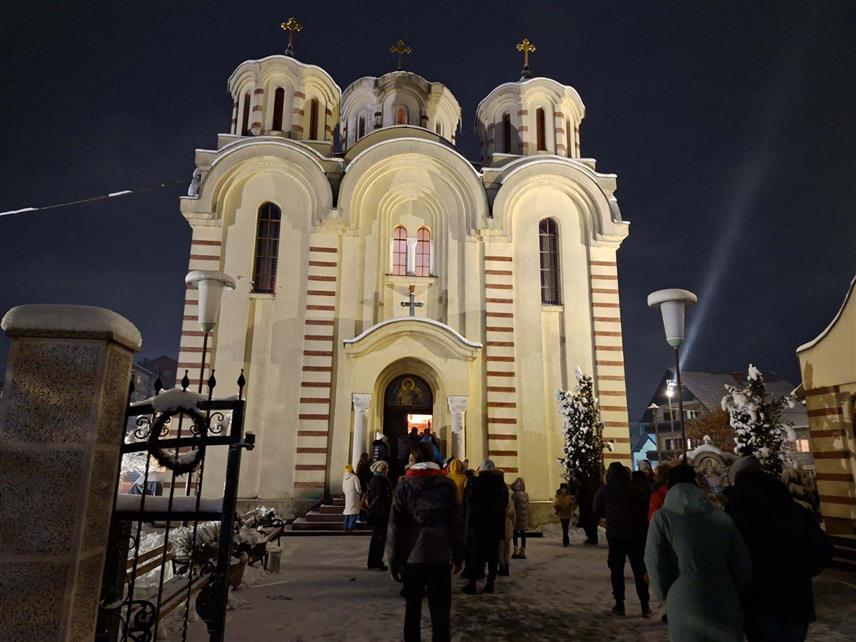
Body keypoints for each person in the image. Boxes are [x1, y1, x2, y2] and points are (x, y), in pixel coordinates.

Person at [725, 455, 833, 642]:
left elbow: (729, 558)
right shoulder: (791, 509)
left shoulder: (736, 514)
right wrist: (799, 571)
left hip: (759, 603)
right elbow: (822, 549)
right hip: (796, 601)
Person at [645, 464, 753, 641]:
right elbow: (741, 564)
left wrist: (667, 594)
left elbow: (654, 561)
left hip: (683, 601)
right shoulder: (720, 517)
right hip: (723, 599)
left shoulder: (663, 518)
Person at [386, 442, 464, 642]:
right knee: (440, 613)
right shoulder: (447, 485)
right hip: (440, 557)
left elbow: (395, 527)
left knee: (412, 611)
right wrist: (458, 554)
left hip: (413, 558)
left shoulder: (404, 484)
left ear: (413, 460)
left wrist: (394, 560)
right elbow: (455, 523)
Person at [593, 463, 650, 616]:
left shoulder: (605, 491)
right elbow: (646, 508)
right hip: (636, 535)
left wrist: (610, 515)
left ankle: (620, 604)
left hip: (616, 535)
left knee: (616, 570)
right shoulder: (637, 491)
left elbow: (596, 509)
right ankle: (645, 604)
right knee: (640, 569)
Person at [463, 461, 508, 594]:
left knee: (474, 556)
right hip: (494, 526)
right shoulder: (501, 484)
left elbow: (469, 503)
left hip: (477, 526)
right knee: (493, 556)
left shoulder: (475, 483)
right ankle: (490, 585)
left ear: (481, 470)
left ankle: (472, 584)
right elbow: (504, 504)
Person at [366, 460, 393, 570]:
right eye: (386, 468)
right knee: (379, 538)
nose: (388, 470)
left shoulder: (377, 479)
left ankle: (374, 561)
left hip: (379, 513)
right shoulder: (379, 480)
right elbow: (380, 498)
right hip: (380, 514)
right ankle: (376, 561)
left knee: (377, 538)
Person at [498, 472, 515, 576]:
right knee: (507, 547)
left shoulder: (498, 491)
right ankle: (506, 566)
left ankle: (502, 566)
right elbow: (512, 511)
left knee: (500, 548)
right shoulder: (508, 492)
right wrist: (514, 522)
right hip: (508, 523)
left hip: (500, 522)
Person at [576, 477, 599, 545]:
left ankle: (592, 539)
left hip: (587, 512)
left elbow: (581, 500)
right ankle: (593, 539)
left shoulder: (584, 491)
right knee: (592, 526)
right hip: (591, 512)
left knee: (589, 526)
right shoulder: (591, 490)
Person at [510, 477, 529, 559]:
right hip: (524, 517)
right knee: (523, 534)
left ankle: (515, 549)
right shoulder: (526, 494)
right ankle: (523, 550)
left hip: (517, 517)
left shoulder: (515, 495)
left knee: (515, 533)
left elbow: (512, 506)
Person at [342, 464, 362, 531]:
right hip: (354, 496)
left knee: (347, 511)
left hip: (347, 495)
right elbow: (358, 488)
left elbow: (343, 488)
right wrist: (360, 492)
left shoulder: (344, 477)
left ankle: (345, 526)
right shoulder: (354, 477)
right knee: (353, 511)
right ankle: (351, 526)